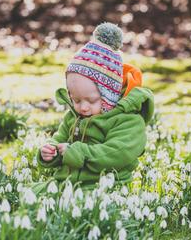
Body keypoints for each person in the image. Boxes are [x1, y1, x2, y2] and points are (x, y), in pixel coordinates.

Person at [37, 22, 154, 189]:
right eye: (76, 100)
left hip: (103, 187)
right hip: (67, 183)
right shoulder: (74, 116)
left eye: (91, 101)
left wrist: (78, 152)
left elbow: (117, 153)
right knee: (32, 196)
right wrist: (50, 150)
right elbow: (60, 138)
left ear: (110, 95)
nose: (83, 108)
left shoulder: (127, 120)